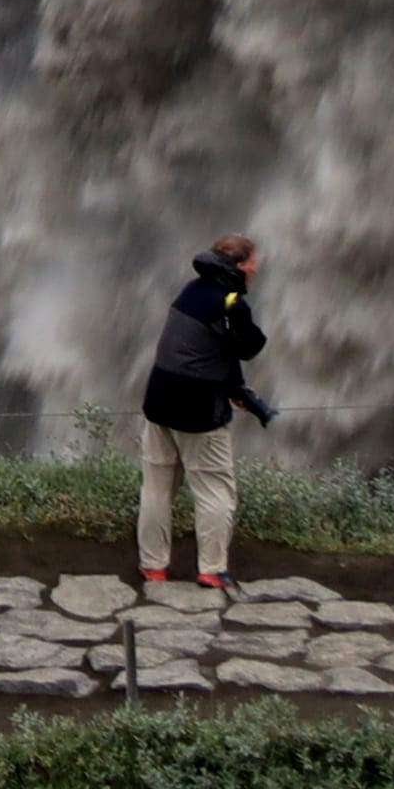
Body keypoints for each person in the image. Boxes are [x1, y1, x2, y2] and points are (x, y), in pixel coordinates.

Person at [137, 231, 275, 589]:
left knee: (156, 488)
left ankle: (153, 566)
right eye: (253, 261)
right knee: (215, 489)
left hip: (159, 400)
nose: (258, 268)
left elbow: (208, 351)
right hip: (197, 409)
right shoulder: (230, 302)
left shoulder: (191, 291)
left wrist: (235, 389)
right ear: (240, 265)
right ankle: (211, 570)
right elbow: (249, 345)